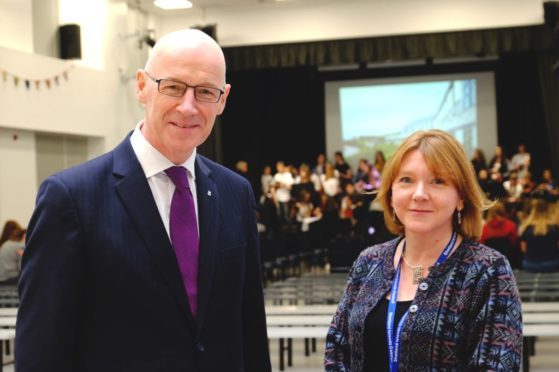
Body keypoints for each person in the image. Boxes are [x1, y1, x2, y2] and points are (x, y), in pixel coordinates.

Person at [16, 29, 271, 372]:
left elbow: (249, 327)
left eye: (205, 92)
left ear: (223, 99)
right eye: (173, 86)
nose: (188, 106)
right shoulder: (72, 198)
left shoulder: (235, 193)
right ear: (141, 86)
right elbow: (42, 349)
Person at [325, 129, 522, 371]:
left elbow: (497, 365)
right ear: (391, 193)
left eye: (437, 181)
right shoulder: (369, 261)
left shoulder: (488, 272)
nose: (419, 194)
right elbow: (337, 347)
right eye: (406, 180)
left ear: (461, 197)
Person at [519, 198, 559, 272]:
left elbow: (523, 249)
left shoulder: (526, 228)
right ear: (549, 211)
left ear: (533, 211)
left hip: (530, 265)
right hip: (552, 264)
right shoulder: (555, 228)